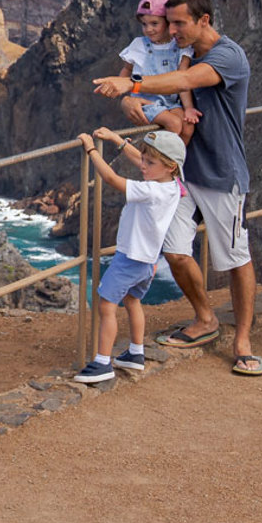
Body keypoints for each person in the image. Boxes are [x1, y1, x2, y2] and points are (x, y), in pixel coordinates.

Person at [93, 0, 261, 377]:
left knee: (236, 258)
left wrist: (131, 87)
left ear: (204, 20)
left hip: (221, 173)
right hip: (179, 175)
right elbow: (151, 81)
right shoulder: (175, 49)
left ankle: (243, 342)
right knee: (173, 250)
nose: (172, 30)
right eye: (169, 22)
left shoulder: (227, 56)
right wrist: (127, 99)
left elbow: (183, 79)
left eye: (179, 23)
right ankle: (206, 319)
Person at [73, 128, 185, 384]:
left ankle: (102, 362)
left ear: (169, 166)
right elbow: (141, 161)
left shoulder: (152, 191)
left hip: (130, 258)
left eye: (150, 162)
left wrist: (91, 149)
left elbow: (112, 179)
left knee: (106, 305)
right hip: (148, 259)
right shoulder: (171, 185)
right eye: (144, 159)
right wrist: (116, 141)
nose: (143, 166)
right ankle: (136, 353)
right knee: (133, 301)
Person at [115, 0, 197, 138]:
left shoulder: (179, 46)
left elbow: (183, 81)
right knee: (174, 124)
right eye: (144, 24)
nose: (148, 29)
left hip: (171, 102)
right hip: (147, 100)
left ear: (168, 22)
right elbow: (127, 69)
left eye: (154, 24)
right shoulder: (139, 45)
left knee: (188, 126)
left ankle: (175, 160)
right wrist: (121, 91)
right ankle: (163, 158)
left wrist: (189, 108)